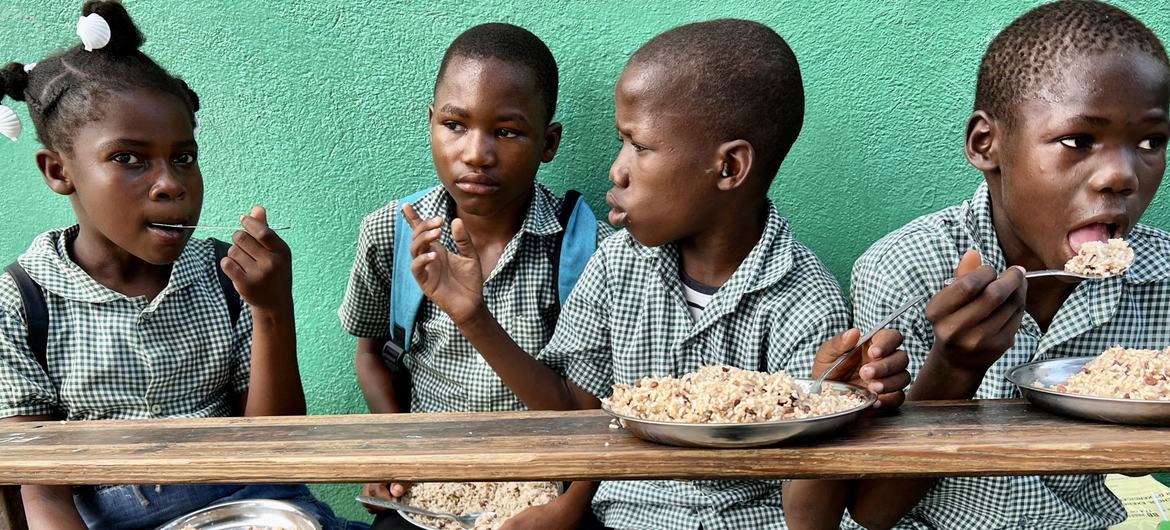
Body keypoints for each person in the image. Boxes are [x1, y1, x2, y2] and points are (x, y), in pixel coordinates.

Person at [404, 19, 910, 530]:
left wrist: (818, 420)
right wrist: (474, 318)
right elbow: (570, 408)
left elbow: (812, 521)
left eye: (638, 147)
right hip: (621, 520)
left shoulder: (803, 301)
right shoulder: (618, 263)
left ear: (729, 168)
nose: (616, 170)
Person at [0, 2, 363, 529]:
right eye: (128, 158)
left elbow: (273, 450)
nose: (171, 183)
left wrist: (272, 310)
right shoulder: (21, 301)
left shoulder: (222, 273)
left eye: (183, 157)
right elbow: (45, 499)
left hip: (251, 498)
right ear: (58, 171)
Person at [845, 1, 1170, 528]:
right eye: (1077, 140)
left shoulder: (1161, 280)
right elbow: (870, 512)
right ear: (986, 144)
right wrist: (955, 367)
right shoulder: (906, 268)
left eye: (1151, 142)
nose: (1120, 176)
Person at [338, 23, 611, 529]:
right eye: (455, 125)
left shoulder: (588, 250)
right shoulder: (391, 234)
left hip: (547, 485)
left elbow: (595, 412)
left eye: (506, 132)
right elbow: (372, 353)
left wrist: (570, 508)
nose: (476, 154)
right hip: (429, 483)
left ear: (548, 142)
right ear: (431, 124)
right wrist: (392, 449)